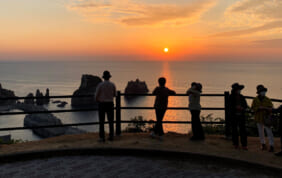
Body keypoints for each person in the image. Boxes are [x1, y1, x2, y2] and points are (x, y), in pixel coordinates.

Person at [251, 85, 274, 152]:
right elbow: (252, 108)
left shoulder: (267, 99)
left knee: (269, 132)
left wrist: (265, 108)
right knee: (261, 132)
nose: (263, 92)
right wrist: (258, 108)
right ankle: (263, 144)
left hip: (266, 118)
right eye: (262, 91)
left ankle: (271, 145)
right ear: (259, 92)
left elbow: (271, 108)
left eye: (264, 91)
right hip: (258, 118)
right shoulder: (255, 100)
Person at [95, 71, 116, 142]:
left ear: (103, 77)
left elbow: (96, 96)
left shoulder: (100, 85)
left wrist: (98, 100)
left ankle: (102, 137)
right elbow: (114, 94)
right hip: (110, 103)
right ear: (109, 77)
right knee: (111, 121)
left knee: (101, 121)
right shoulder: (112, 85)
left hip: (102, 104)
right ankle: (111, 136)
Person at [229, 83, 248, 150]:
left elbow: (246, 105)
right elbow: (229, 106)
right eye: (238, 89)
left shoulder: (242, 97)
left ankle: (244, 144)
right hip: (234, 116)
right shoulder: (231, 97)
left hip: (241, 116)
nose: (239, 90)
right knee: (234, 130)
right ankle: (235, 144)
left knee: (243, 130)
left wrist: (242, 108)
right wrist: (235, 107)